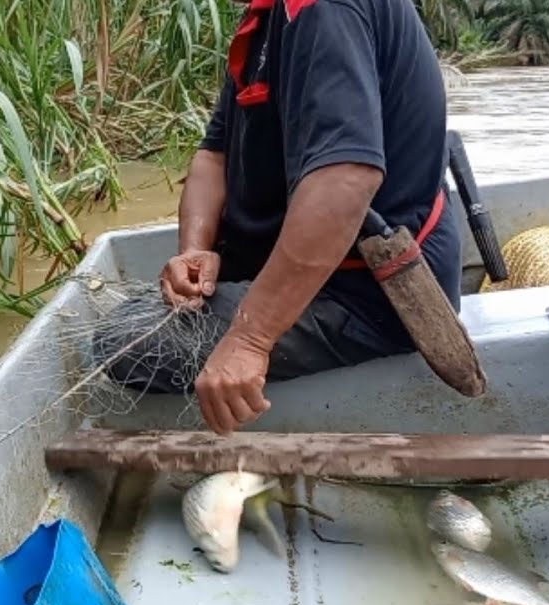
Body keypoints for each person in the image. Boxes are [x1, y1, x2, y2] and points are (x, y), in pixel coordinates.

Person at [90, 0, 462, 436]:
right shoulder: (267, 19)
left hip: (367, 294)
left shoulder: (326, 10)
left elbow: (346, 179)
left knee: (125, 339)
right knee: (135, 323)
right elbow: (214, 155)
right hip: (300, 265)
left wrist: (251, 338)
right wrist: (196, 249)